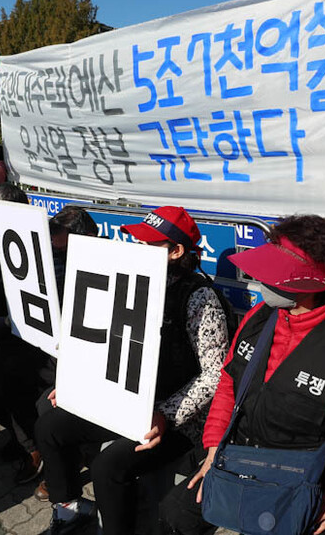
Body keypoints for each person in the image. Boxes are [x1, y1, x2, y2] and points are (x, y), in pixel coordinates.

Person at [160, 214, 325, 535]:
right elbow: (229, 385)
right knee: (173, 516)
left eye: (276, 271)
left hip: (301, 479)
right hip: (238, 458)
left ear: (312, 282)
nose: (261, 279)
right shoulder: (257, 318)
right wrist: (213, 450)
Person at [36, 206, 231, 535]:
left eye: (148, 244)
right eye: (137, 241)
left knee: (108, 466)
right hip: (120, 396)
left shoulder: (199, 298)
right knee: (50, 425)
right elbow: (97, 338)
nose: (137, 249)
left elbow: (214, 376)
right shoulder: (123, 279)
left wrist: (166, 415)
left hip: (174, 416)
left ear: (176, 252)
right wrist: (74, 381)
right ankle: (69, 507)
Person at [0, 205, 98, 485]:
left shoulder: (110, 265)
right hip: (34, 343)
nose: (56, 255)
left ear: (89, 237)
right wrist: (6, 322)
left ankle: (64, 464)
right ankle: (32, 445)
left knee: (43, 404)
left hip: (79, 356)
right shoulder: (46, 255)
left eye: (60, 250)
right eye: (54, 249)